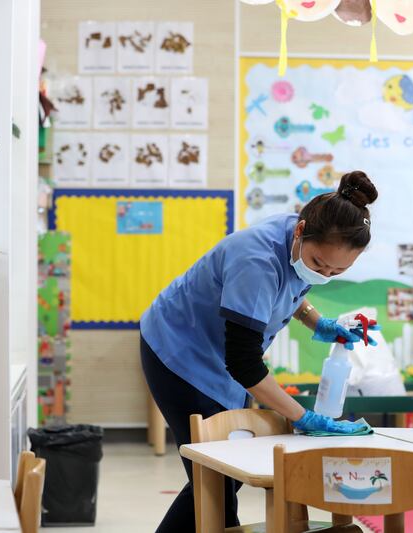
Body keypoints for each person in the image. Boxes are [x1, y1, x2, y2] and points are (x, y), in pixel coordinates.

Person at [140, 171, 379, 531]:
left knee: (221, 478)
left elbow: (293, 287)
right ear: (300, 232)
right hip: (180, 352)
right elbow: (244, 364)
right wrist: (304, 417)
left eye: (337, 271)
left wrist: (319, 323)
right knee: (217, 478)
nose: (324, 273)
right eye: (319, 264)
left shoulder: (301, 238)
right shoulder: (256, 260)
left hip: (219, 357)